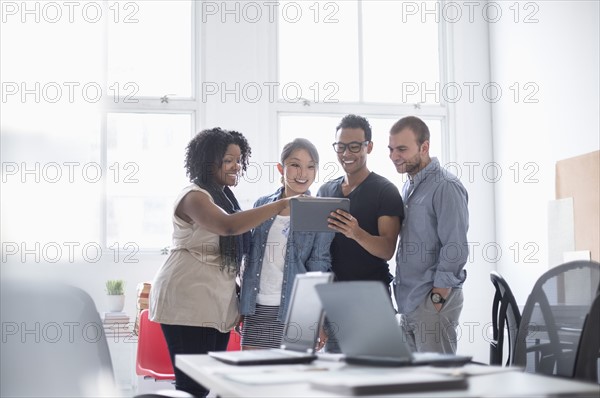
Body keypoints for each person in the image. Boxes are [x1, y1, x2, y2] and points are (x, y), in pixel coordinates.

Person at [149, 127, 296, 397]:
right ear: (208, 160)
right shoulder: (194, 196)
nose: (236, 166)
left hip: (214, 304)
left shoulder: (225, 197)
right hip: (187, 300)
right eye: (229, 159)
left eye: (239, 160)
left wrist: (238, 298)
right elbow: (227, 227)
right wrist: (280, 205)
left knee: (208, 384)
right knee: (193, 387)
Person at [318, 114, 404, 352]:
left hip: (371, 302)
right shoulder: (325, 190)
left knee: (374, 381)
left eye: (355, 146)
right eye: (341, 146)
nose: (347, 153)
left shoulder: (385, 191)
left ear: (370, 146)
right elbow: (317, 253)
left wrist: (356, 232)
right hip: (333, 303)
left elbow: (387, 249)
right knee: (336, 381)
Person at [239, 138, 334, 350]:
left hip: (298, 312)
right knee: (252, 379)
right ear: (281, 168)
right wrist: (242, 305)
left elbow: (318, 267)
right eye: (295, 165)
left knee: (291, 381)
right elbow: (250, 258)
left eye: (311, 167)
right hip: (257, 308)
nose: (303, 173)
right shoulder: (262, 205)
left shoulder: (320, 212)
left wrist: (317, 319)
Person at [388, 115, 469, 354]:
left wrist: (436, 300)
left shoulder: (446, 186)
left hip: (432, 303)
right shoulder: (409, 186)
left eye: (402, 149)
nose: (394, 156)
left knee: (439, 383)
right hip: (409, 301)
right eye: (391, 149)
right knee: (415, 384)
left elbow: (455, 247)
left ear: (424, 147)